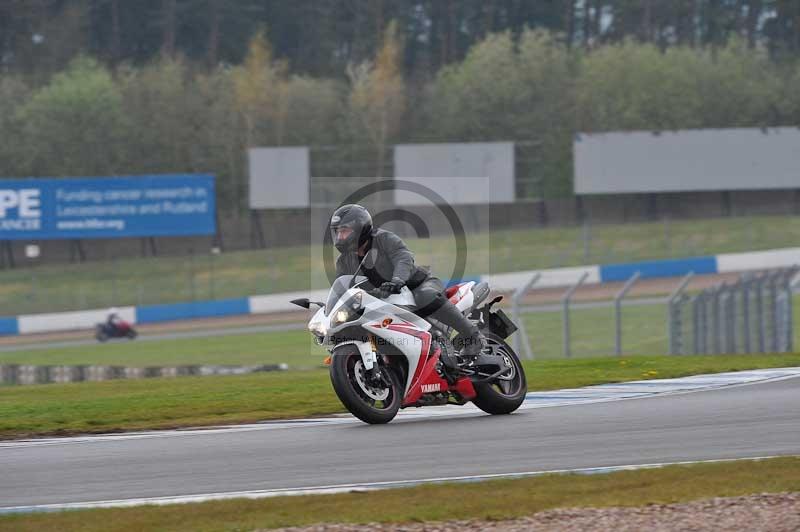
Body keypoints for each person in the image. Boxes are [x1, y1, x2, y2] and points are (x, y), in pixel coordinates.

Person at [330, 204, 485, 362]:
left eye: (345, 231)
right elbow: (345, 288)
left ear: (360, 228)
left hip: (417, 284)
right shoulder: (344, 261)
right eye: (338, 232)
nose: (340, 237)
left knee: (425, 297)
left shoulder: (383, 239)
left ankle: (474, 337)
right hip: (384, 298)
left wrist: (397, 280)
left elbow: (403, 258)